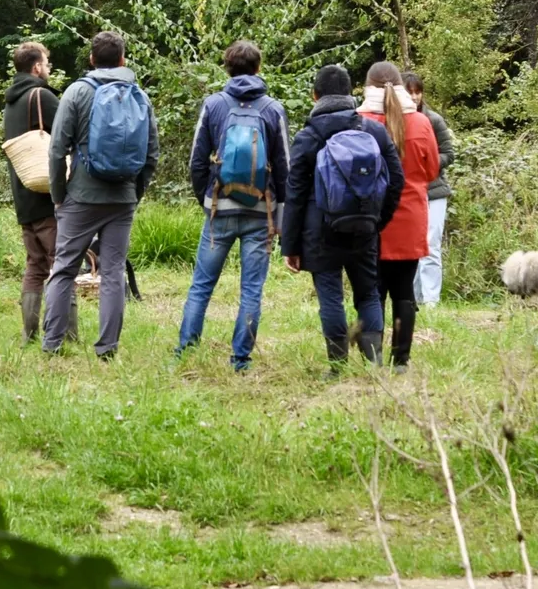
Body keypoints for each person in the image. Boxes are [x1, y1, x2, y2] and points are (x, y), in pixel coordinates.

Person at [41, 31, 158, 360]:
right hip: (122, 199)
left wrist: (59, 195)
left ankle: (52, 344)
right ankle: (107, 349)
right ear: (123, 60)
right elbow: (151, 156)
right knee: (112, 271)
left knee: (64, 268)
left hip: (80, 196)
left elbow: (56, 150)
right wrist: (135, 192)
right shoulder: (140, 96)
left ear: (91, 59)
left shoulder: (77, 92)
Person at [176, 39, 289, 371]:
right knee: (251, 289)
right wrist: (280, 214)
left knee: (201, 285)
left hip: (218, 212)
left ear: (227, 67)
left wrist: (206, 198)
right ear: (258, 68)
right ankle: (240, 359)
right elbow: (285, 169)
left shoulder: (214, 105)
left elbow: (197, 161)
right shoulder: (273, 109)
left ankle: (185, 351)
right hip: (260, 213)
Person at [283, 64, 403, 368]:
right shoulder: (373, 130)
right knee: (368, 294)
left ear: (314, 95)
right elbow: (396, 180)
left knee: (331, 297)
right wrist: (378, 221)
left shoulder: (308, 136)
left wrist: (291, 246)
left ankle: (337, 367)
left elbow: (295, 194)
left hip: (319, 232)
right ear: (350, 94)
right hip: (365, 228)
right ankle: (374, 364)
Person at [357, 61, 439, 372]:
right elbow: (431, 170)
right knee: (404, 290)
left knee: (372, 289)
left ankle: (372, 357)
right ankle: (401, 360)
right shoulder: (419, 123)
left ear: (368, 86)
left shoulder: (359, 121)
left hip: (370, 219)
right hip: (409, 217)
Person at [3, 41, 64, 344]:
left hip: (23, 197)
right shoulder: (42, 96)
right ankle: (65, 333)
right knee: (60, 264)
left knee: (34, 265)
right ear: (37, 67)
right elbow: (70, 134)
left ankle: (29, 334)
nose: (49, 68)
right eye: (47, 62)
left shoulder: (11, 103)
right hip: (47, 195)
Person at [403, 70, 456, 307]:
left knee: (430, 245)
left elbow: (449, 153)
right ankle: (413, 298)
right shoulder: (394, 120)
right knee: (410, 247)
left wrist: (429, 165)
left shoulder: (433, 120)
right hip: (407, 193)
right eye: (410, 92)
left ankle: (431, 301)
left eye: (418, 92)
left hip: (433, 191)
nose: (415, 97)